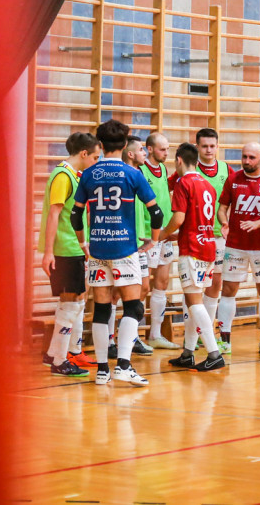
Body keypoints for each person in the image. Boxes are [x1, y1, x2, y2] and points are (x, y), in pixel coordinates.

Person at [72, 119, 163, 386]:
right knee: (133, 307)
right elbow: (155, 212)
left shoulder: (88, 173)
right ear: (124, 145)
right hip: (125, 249)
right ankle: (124, 365)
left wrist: (83, 244)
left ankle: (102, 370)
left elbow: (76, 215)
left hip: (98, 248)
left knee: (101, 309)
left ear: (100, 144)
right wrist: (153, 241)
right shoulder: (132, 174)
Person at [39, 132, 101, 377]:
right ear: (84, 154)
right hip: (64, 249)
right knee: (70, 303)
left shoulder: (73, 176)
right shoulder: (63, 176)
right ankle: (59, 361)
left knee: (75, 301)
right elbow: (54, 214)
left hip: (74, 248)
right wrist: (48, 252)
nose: (96, 162)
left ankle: (54, 354)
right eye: (95, 157)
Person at [161, 143, 225, 371]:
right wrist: (175, 235)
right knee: (192, 301)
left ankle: (214, 353)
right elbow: (196, 221)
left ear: (179, 160)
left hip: (192, 249)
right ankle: (188, 352)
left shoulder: (183, 183)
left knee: (195, 302)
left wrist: (161, 234)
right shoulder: (207, 184)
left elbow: (178, 218)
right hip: (208, 246)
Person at [217, 143, 260, 353]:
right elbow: (222, 209)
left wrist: (258, 223)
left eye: (251, 157)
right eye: (244, 157)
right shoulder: (233, 179)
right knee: (228, 291)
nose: (246, 161)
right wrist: (224, 223)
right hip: (235, 246)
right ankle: (225, 341)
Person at [188, 128, 232, 352]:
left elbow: (237, 197)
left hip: (218, 235)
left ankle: (207, 334)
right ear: (197, 147)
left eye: (212, 146)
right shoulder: (189, 169)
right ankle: (194, 337)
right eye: (204, 146)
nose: (208, 150)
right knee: (195, 286)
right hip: (196, 236)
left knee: (215, 284)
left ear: (217, 146)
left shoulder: (226, 169)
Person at [142, 132, 181, 350]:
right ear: (150, 149)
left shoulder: (164, 170)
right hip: (147, 237)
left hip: (164, 236)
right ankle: (132, 336)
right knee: (140, 288)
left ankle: (155, 335)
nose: (167, 153)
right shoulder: (141, 170)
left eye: (167, 149)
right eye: (162, 149)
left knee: (162, 283)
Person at [118, 136, 154, 356]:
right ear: (130, 154)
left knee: (143, 288)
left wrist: (148, 235)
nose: (145, 153)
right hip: (123, 241)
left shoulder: (140, 174)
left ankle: (133, 337)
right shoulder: (122, 175)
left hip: (140, 241)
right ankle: (114, 341)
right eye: (141, 150)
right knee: (115, 293)